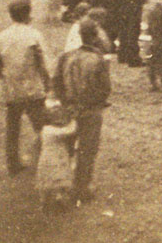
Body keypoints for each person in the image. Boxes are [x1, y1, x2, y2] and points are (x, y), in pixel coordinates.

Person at [53, 18, 112, 205]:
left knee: (66, 148)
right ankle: (81, 188)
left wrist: (65, 101)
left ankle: (61, 186)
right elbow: (105, 88)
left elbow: (56, 82)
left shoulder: (66, 56)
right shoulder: (98, 59)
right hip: (90, 109)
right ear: (95, 36)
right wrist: (96, 102)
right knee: (87, 150)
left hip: (69, 108)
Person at [0, 0, 50, 175]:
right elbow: (45, 63)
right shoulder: (34, 35)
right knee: (43, 127)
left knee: (12, 127)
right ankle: (45, 161)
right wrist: (48, 82)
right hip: (33, 88)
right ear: (27, 14)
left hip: (12, 89)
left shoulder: (1, 37)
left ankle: (13, 163)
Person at [36, 100, 77, 213]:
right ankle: (56, 200)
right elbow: (70, 130)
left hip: (48, 158)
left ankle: (46, 202)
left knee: (49, 180)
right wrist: (74, 120)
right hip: (56, 158)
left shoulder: (45, 129)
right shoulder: (53, 131)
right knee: (58, 178)